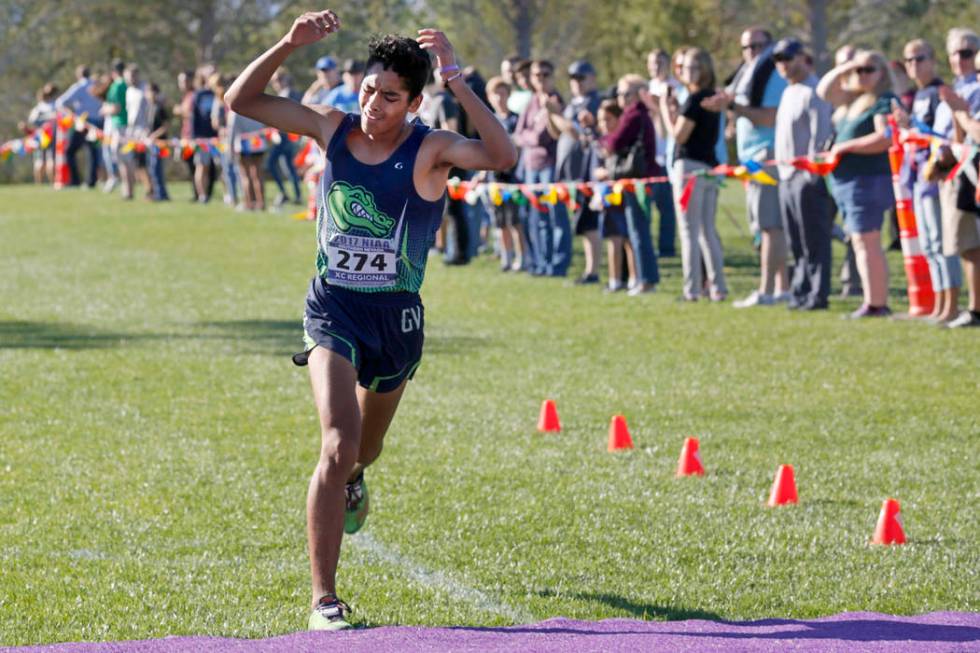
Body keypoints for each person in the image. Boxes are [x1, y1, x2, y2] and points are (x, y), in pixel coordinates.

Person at [225, 11, 516, 630]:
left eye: (389, 97)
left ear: (413, 102)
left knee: (367, 448)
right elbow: (241, 100)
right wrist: (287, 43)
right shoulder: (332, 130)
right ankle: (323, 599)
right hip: (332, 307)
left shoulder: (432, 148)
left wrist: (458, 79)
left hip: (397, 320)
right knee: (337, 443)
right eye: (367, 90)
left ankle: (355, 476)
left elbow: (502, 154)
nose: (373, 105)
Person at [704, 28, 789, 308]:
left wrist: (735, 108)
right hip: (751, 159)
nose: (751, 52)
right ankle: (781, 288)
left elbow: (769, 117)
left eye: (757, 46)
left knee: (769, 226)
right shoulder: (746, 73)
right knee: (766, 226)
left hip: (767, 156)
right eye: (746, 47)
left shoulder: (773, 73)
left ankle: (766, 291)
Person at [818, 49, 897, 318]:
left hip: (868, 179)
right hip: (847, 181)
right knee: (860, 241)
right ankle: (872, 300)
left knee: (867, 240)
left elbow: (886, 137)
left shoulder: (884, 100)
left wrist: (844, 147)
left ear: (882, 73)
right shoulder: (854, 99)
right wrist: (846, 67)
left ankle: (876, 303)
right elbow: (824, 91)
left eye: (868, 70)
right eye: (858, 70)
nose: (861, 75)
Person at [661, 47, 727, 302]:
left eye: (691, 68)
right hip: (708, 166)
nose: (685, 73)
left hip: (689, 167)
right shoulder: (711, 98)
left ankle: (692, 289)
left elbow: (679, 136)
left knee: (689, 230)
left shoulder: (695, 98)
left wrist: (667, 113)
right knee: (707, 229)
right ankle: (718, 286)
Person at [772, 39, 834, 311]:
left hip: (806, 177)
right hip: (785, 176)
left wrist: (813, 174)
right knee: (795, 240)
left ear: (802, 57)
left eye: (787, 57)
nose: (782, 64)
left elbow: (820, 135)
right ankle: (800, 290)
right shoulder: (788, 92)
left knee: (814, 240)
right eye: (778, 59)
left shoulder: (814, 90)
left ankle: (818, 294)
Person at [903, 38, 962, 323]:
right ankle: (939, 305)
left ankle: (951, 305)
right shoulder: (918, 94)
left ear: (934, 61)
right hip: (918, 176)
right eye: (909, 60)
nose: (914, 65)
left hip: (938, 176)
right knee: (929, 245)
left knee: (942, 243)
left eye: (920, 58)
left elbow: (944, 137)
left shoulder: (941, 92)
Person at [934, 28, 980, 328]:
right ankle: (971, 307)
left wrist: (961, 114)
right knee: (964, 245)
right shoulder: (957, 88)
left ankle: (975, 309)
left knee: (972, 245)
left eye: (968, 53)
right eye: (956, 53)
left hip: (973, 173)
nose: (961, 59)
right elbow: (961, 136)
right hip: (961, 172)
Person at [600, 73, 660, 295]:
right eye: (618, 93)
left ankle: (645, 280)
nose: (620, 98)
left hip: (637, 180)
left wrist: (603, 139)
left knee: (638, 231)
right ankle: (641, 278)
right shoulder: (639, 115)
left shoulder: (634, 115)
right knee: (636, 230)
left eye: (625, 93)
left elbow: (614, 142)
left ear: (638, 96)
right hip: (639, 180)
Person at [549, 60, 602, 283]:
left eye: (581, 78)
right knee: (579, 222)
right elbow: (555, 133)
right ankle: (589, 270)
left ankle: (593, 271)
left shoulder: (594, 102)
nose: (576, 83)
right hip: (569, 172)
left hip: (586, 171)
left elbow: (574, 131)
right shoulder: (572, 104)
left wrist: (556, 114)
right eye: (573, 78)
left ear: (592, 79)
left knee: (588, 223)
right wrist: (552, 115)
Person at [514, 59, 566, 276]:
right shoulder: (532, 101)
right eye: (537, 75)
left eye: (545, 75)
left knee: (555, 218)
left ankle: (557, 264)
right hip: (530, 166)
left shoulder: (555, 100)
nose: (541, 79)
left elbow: (545, 135)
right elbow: (518, 134)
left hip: (550, 165)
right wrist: (531, 137)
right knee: (535, 218)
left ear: (553, 76)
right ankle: (539, 262)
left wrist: (531, 137)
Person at [482, 75, 524, 271]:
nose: (499, 98)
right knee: (499, 222)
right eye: (495, 94)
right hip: (494, 179)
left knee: (514, 221)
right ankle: (506, 258)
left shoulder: (517, 119)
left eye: (502, 93)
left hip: (513, 178)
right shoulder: (488, 121)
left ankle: (522, 258)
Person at [646, 48, 681, 257]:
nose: (656, 66)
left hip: (668, 152)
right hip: (650, 154)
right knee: (647, 203)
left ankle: (666, 247)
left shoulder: (673, 87)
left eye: (659, 61)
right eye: (652, 62)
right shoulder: (648, 87)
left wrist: (657, 107)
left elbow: (668, 126)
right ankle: (648, 246)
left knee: (667, 205)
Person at [593, 99, 629, 291]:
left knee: (624, 239)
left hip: (622, 196)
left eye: (608, 119)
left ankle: (624, 279)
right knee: (613, 238)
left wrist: (606, 172)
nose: (604, 124)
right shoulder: (602, 141)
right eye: (601, 120)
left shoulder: (621, 140)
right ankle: (615, 278)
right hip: (606, 197)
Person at [55, 65, 104, 188]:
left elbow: (60, 103)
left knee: (70, 152)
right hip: (98, 122)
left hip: (84, 122)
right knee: (93, 152)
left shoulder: (79, 86)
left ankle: (75, 180)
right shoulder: (97, 85)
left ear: (78, 75)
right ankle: (91, 181)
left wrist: (71, 115)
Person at [267, 68, 305, 206]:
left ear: (284, 79)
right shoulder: (288, 93)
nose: (275, 83)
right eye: (273, 81)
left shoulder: (288, 93)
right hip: (286, 136)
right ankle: (294, 195)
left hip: (286, 137)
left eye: (277, 80)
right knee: (288, 167)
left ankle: (287, 194)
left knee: (273, 164)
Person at [102, 60, 132, 198]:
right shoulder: (127, 84)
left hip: (119, 124)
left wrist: (104, 110)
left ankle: (127, 190)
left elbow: (116, 108)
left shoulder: (117, 85)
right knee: (125, 159)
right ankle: (127, 190)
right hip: (126, 125)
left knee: (122, 159)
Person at [123, 65, 152, 199]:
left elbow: (150, 110)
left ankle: (150, 190)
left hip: (142, 129)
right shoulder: (129, 91)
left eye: (133, 76)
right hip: (131, 130)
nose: (130, 79)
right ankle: (144, 190)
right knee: (134, 162)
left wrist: (148, 128)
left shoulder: (144, 89)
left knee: (142, 162)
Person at [191, 68, 219, 203]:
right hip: (202, 137)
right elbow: (194, 117)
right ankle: (202, 195)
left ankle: (228, 195)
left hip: (218, 137)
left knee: (221, 166)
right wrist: (194, 137)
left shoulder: (219, 93)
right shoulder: (199, 94)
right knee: (202, 166)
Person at [25, 83, 58, 184]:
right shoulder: (55, 106)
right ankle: (53, 182)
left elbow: (31, 122)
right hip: (52, 135)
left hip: (40, 136)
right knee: (51, 159)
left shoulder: (38, 109)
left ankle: (39, 183)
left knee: (39, 160)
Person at [145, 82, 171, 201]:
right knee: (152, 169)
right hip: (151, 143)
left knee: (157, 168)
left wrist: (154, 136)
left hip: (161, 143)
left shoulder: (160, 108)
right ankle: (157, 193)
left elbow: (166, 126)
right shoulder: (149, 107)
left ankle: (162, 194)